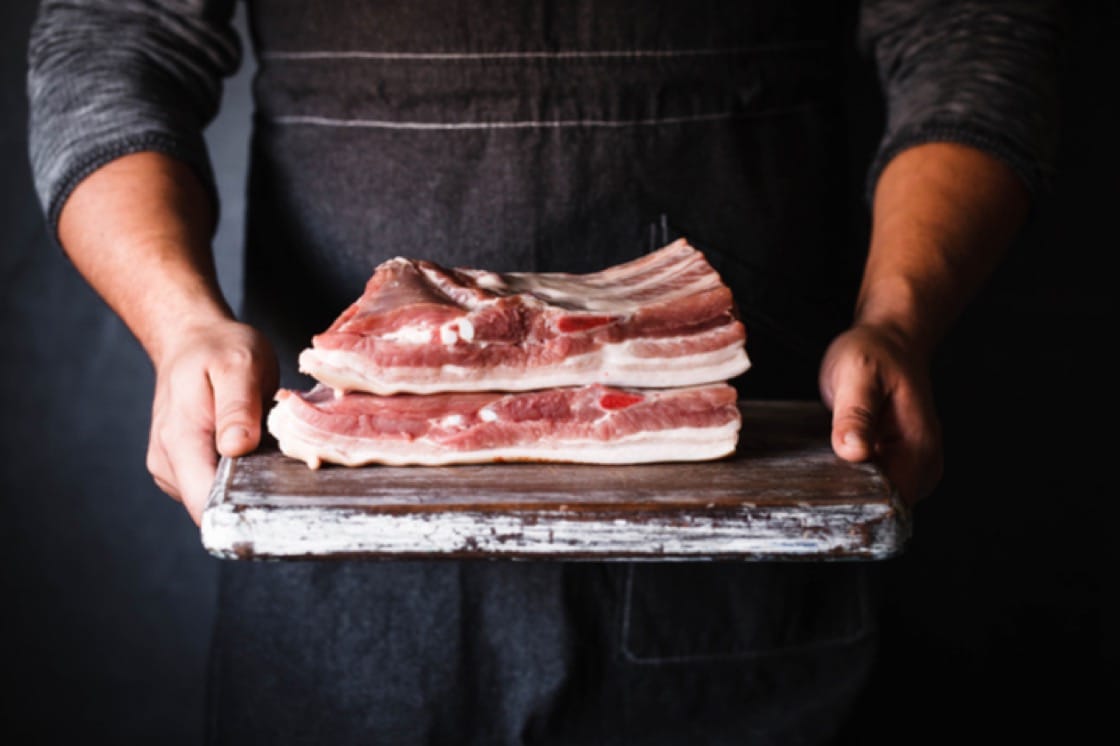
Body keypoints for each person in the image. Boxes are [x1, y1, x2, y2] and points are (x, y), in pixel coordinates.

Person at [27, 0, 1059, 743]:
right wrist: (180, 325)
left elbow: (973, 30)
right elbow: (112, 37)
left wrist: (898, 319)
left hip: (747, 497)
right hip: (341, 521)